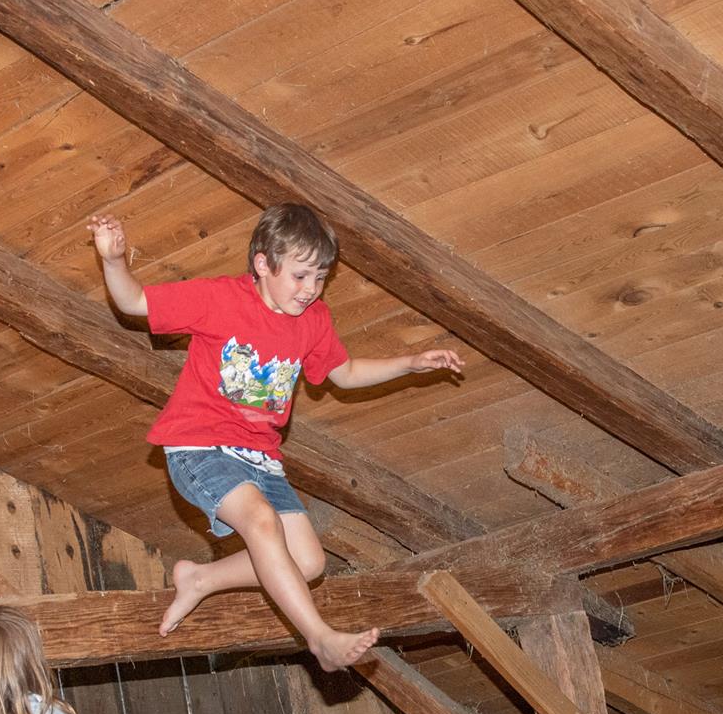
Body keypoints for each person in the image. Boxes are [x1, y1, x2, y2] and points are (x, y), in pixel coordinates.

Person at [87, 202, 463, 671]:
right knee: (261, 522)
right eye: (301, 276)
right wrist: (114, 260)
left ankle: (200, 579)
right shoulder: (221, 299)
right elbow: (134, 302)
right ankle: (319, 638)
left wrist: (409, 362)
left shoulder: (313, 321)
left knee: (308, 562)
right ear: (263, 264)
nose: (310, 290)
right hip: (199, 446)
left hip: (259, 458)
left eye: (320, 278)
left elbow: (343, 373)